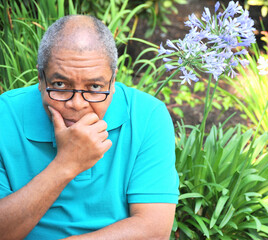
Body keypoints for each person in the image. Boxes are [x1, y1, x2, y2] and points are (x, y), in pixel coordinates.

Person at [0, 15, 179, 239]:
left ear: (113, 82)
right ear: (40, 79)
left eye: (94, 87)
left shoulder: (148, 115)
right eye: (60, 85)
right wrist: (65, 165)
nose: (77, 104)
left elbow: (154, 229)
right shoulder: (5, 115)